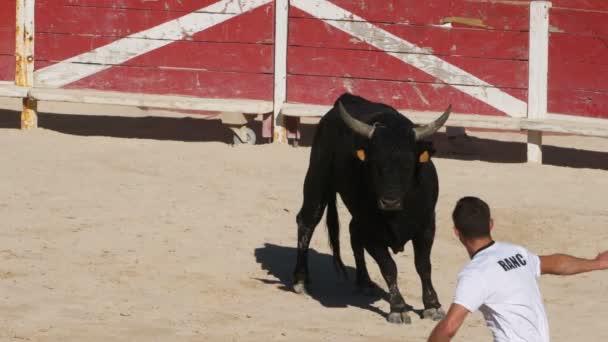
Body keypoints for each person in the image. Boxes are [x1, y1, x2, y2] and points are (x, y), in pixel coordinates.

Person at [427, 196, 608, 342]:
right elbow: (556, 263)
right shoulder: (517, 253)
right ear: (491, 224)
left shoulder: (475, 273)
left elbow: (449, 328)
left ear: (457, 232)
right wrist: (596, 263)